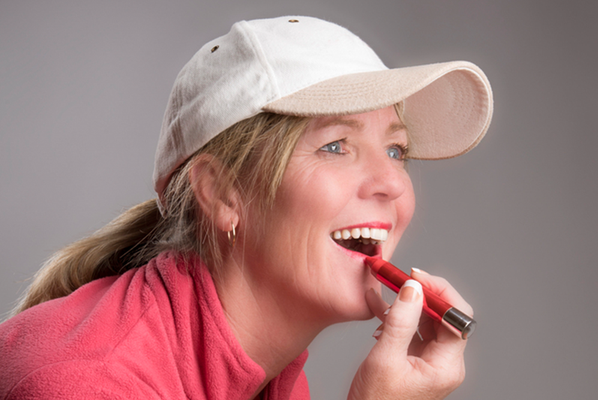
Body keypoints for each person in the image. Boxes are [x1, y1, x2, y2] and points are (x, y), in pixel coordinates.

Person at [0, 16, 493, 400]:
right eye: (337, 146)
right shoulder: (89, 384)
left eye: (396, 151)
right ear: (222, 191)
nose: (392, 183)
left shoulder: (270, 377)